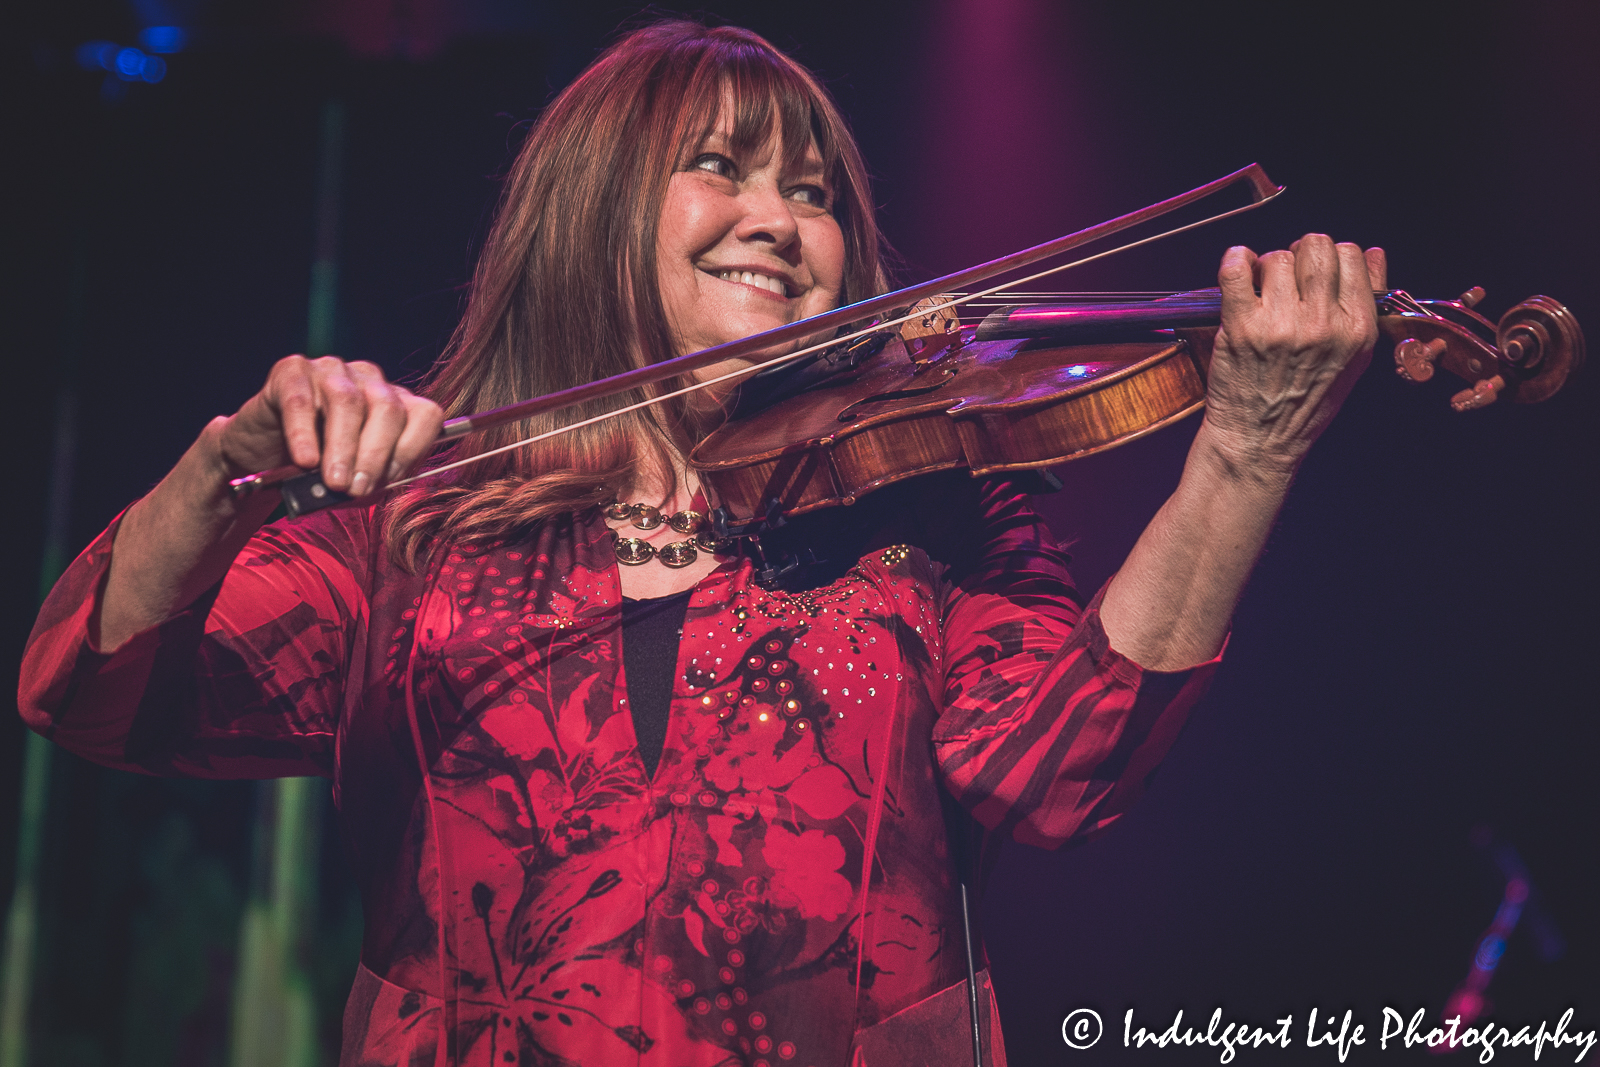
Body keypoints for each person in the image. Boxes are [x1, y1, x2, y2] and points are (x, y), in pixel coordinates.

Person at [20, 19, 1385, 1067]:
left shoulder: (929, 511)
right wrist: (227, 469)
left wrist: (1244, 452)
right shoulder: (420, 525)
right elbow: (88, 685)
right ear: (596, 205)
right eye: (720, 170)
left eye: (816, 193)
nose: (783, 224)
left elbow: (1058, 777)